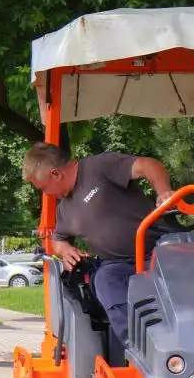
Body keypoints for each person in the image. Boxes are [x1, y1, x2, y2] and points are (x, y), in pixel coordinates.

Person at [21, 142, 174, 356]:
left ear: (56, 174)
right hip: (118, 264)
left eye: (44, 188)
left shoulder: (100, 166)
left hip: (157, 251)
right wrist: (64, 250)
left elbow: (149, 165)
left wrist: (164, 192)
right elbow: (58, 240)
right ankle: (145, 350)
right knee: (104, 281)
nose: (46, 194)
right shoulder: (65, 209)